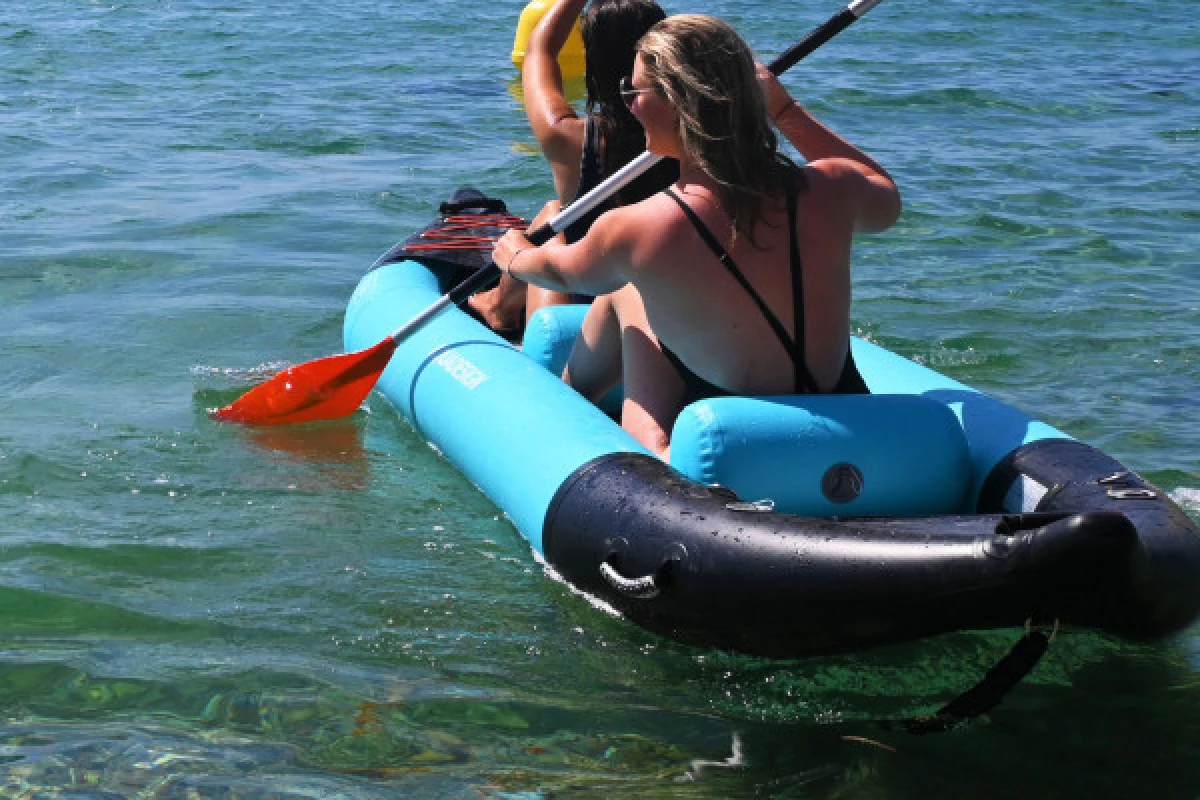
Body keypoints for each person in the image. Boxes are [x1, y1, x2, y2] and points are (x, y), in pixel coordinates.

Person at [491, 14, 902, 459]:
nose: (628, 104)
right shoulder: (834, 186)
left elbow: (564, 273)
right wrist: (784, 110)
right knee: (632, 286)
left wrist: (514, 257)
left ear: (679, 103)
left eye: (634, 91)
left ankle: (603, 428)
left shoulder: (640, 226)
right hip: (840, 398)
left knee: (628, 289)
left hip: (731, 422)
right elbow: (886, 197)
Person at [469, 0, 677, 334]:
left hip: (583, 323)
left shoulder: (571, 137)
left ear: (590, 58)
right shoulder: (701, 138)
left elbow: (540, 49)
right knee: (555, 211)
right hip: (674, 303)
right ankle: (497, 303)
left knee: (556, 219)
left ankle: (498, 307)